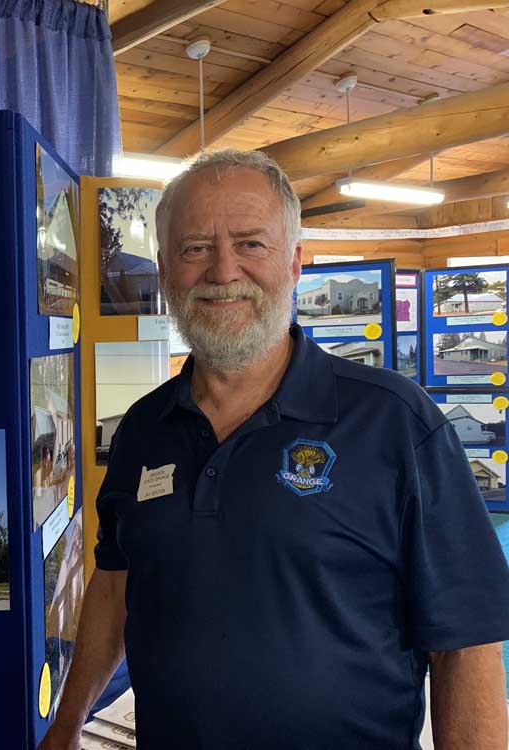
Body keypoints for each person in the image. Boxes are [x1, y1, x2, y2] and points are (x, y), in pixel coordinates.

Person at [40, 149, 509, 749]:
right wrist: (67, 725)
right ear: (164, 271)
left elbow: (465, 644)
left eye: (250, 244)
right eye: (195, 248)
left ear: (294, 262)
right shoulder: (141, 430)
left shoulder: (395, 423)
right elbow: (114, 583)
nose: (223, 270)